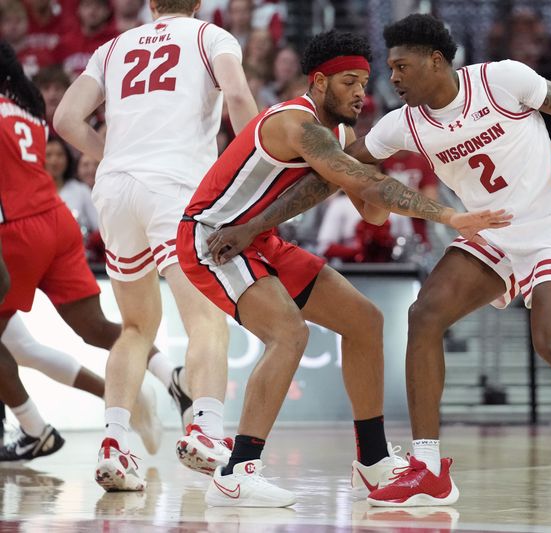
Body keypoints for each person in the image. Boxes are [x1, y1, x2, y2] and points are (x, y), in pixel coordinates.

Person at [212, 15, 551, 506]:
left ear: (435, 61)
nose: (393, 78)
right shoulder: (403, 124)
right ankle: (427, 467)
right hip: (491, 231)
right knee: (423, 315)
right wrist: (257, 223)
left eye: (401, 67)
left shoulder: (501, 79)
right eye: (391, 68)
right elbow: (334, 175)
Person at [180, 29, 509, 508]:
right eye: (350, 82)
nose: (362, 92)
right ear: (318, 82)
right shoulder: (297, 124)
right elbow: (370, 189)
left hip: (261, 239)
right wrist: (447, 215)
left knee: (365, 321)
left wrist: (380, 165)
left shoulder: (341, 134)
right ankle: (236, 473)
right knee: (289, 333)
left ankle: (372, 463)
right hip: (216, 236)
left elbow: (372, 210)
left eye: (365, 81)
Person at [53, 0, 258, 491]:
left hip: (117, 190)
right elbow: (237, 96)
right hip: (176, 188)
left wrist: (113, 156)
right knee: (206, 318)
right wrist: (252, 171)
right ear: (198, 2)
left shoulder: (113, 46)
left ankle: (115, 442)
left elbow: (64, 120)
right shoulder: (211, 37)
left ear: (150, 4)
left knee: (135, 328)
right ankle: (206, 429)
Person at [0, 39, 177, 462]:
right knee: (90, 328)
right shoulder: (24, 106)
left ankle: (32, 427)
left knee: (13, 344)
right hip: (55, 220)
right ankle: (171, 377)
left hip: (15, 230)